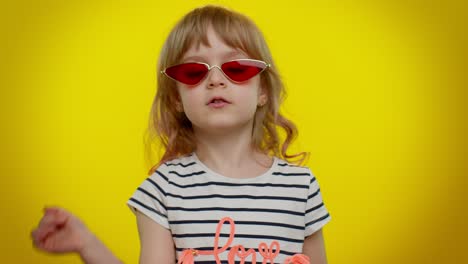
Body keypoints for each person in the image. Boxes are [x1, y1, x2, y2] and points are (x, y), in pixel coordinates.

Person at [31, 5, 331, 264]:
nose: (215, 80)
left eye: (236, 68)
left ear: (262, 90)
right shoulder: (163, 190)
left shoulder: (301, 187)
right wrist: (87, 243)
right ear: (176, 97)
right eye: (193, 72)